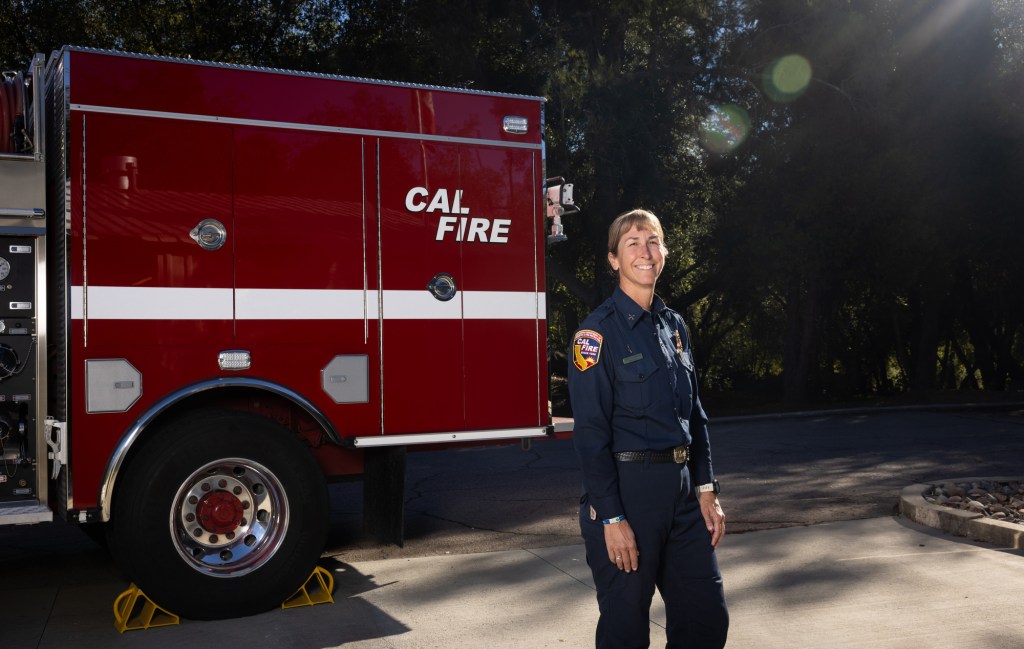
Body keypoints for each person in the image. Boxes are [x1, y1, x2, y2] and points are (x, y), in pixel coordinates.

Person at [568, 209, 728, 649]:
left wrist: (706, 488)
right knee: (626, 631)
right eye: (632, 243)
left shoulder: (673, 326)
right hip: (628, 495)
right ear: (614, 260)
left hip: (681, 496)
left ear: (665, 254)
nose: (645, 251)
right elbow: (591, 435)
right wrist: (613, 516)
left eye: (652, 241)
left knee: (705, 619)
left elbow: (694, 413)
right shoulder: (594, 335)